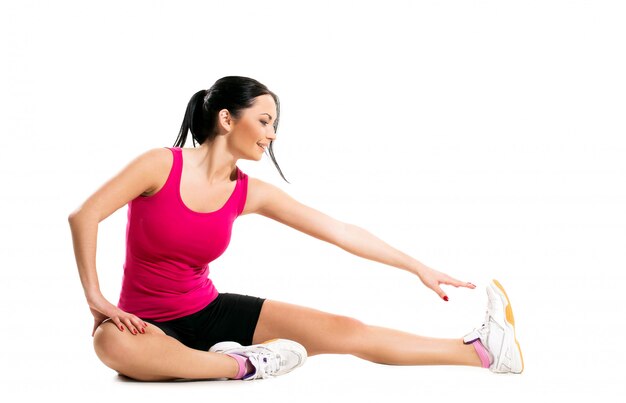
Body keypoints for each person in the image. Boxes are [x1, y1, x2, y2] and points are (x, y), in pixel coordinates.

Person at [68, 75, 524, 382]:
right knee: (111, 345)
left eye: (274, 124)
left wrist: (417, 266)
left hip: (210, 312)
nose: (272, 134)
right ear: (227, 118)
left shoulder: (249, 192)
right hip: (144, 324)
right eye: (264, 121)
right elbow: (84, 215)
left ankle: (482, 352)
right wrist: (97, 299)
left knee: (345, 329)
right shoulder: (158, 165)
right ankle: (239, 366)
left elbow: (341, 231)